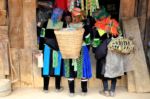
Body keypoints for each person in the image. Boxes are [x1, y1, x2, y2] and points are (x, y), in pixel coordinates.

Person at [63, 8, 92, 96]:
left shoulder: (70, 26)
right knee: (76, 71)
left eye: (76, 16)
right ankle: (78, 91)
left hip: (75, 50)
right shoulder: (83, 26)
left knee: (78, 71)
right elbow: (88, 41)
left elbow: (87, 40)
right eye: (74, 16)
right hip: (77, 49)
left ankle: (79, 91)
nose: (75, 18)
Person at [41, 8, 64, 93]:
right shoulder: (61, 24)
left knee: (46, 67)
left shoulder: (45, 24)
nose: (61, 17)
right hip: (57, 48)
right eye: (61, 15)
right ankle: (57, 88)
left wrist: (40, 49)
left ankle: (45, 88)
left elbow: (42, 36)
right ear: (58, 15)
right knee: (57, 67)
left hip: (47, 47)